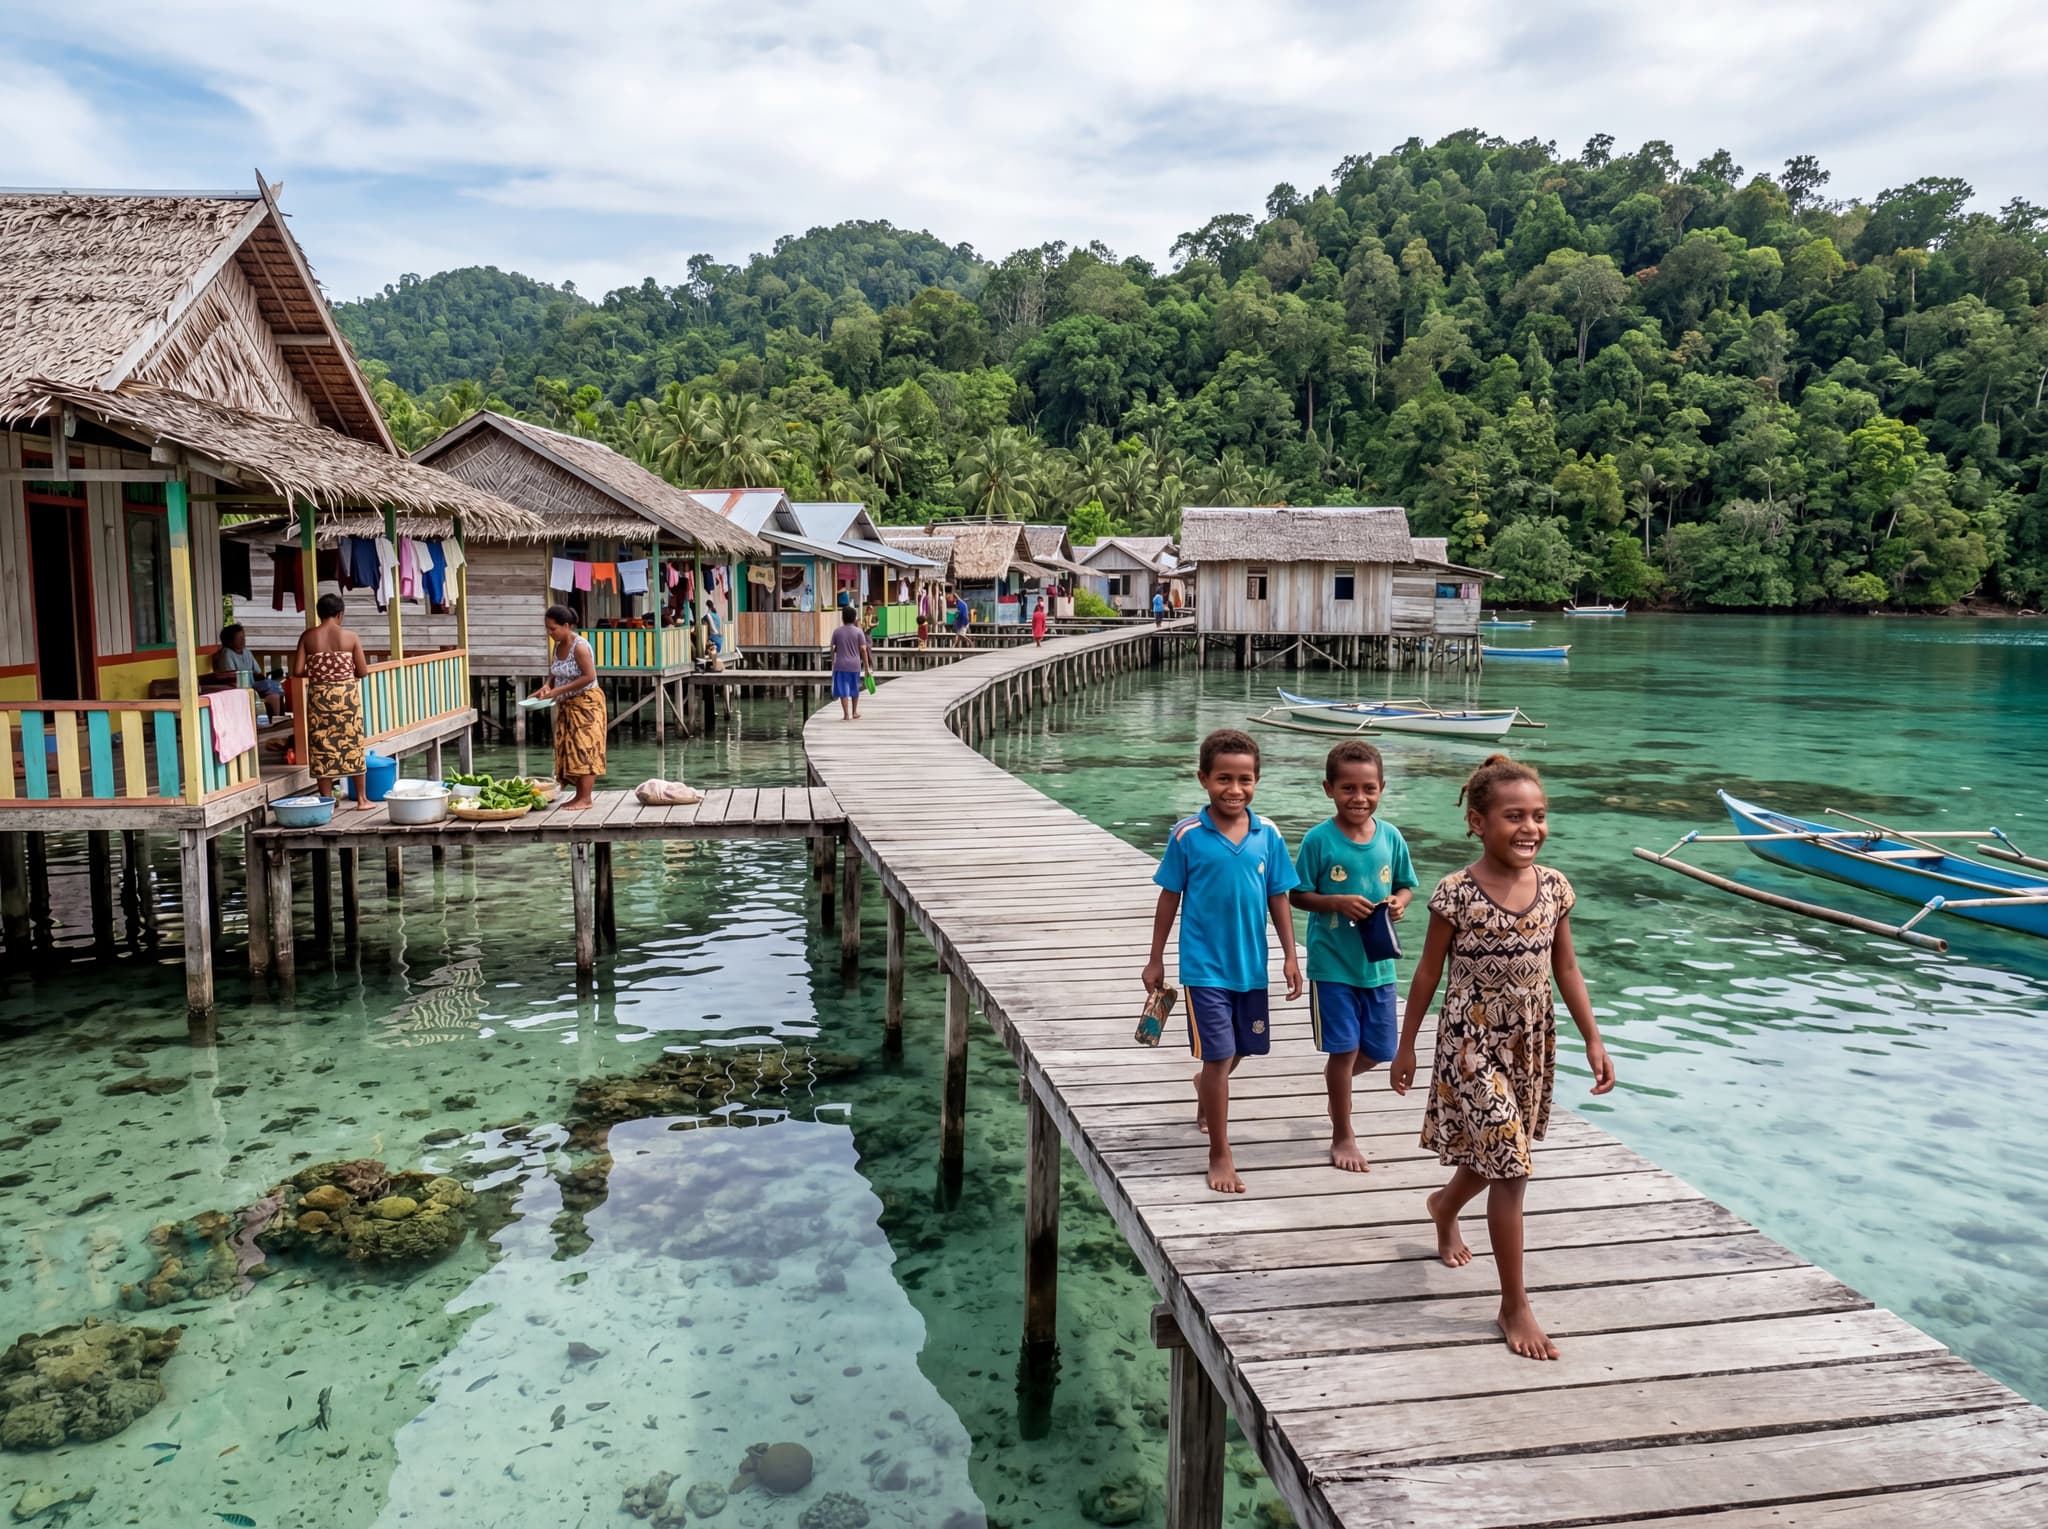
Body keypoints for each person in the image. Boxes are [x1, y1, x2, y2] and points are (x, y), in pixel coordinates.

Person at [1390, 754, 1615, 1361]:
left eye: (1539, 816)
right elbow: (1428, 973)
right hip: (1470, 1044)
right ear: (1477, 821)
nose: (1529, 828)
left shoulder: (1556, 888)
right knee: (1511, 1164)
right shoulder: (1454, 895)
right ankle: (1513, 1304)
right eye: (1513, 816)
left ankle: (1443, 1206)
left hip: (1531, 1042)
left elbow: (1565, 966)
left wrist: (1593, 1037)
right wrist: (1406, 1043)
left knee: (1497, 1154)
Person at [1141, 728, 1301, 1195]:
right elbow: (1170, 897)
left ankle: (1205, 1087)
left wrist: (1291, 956)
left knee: (1243, 1051)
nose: (1235, 790)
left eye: (1245, 779)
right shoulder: (1188, 834)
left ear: (1257, 780)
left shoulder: (1267, 833)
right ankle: (1220, 1152)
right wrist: (1155, 958)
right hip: (1203, 966)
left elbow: (1279, 896)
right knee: (1221, 1053)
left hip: (1251, 964)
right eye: (1224, 779)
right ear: (1203, 780)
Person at [1290, 741, 1418, 1172]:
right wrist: (1336, 902)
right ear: (1329, 788)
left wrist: (1400, 903)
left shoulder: (1392, 837)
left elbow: (1405, 885)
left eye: (1368, 789)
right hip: (1332, 966)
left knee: (1378, 1050)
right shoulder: (1318, 840)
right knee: (1343, 1051)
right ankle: (1342, 1133)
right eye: (1347, 788)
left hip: (1378, 964)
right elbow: (1298, 894)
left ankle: (1335, 1088)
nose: (1358, 798)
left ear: (1382, 787)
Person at [291, 593, 368, 808]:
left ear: (319, 613)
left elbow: (297, 670)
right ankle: (362, 800)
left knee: (322, 744)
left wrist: (320, 671)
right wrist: (338, 671)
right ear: (340, 614)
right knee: (352, 743)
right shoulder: (351, 637)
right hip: (346, 698)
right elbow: (362, 671)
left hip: (319, 699)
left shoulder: (308, 636)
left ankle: (327, 800)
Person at [533, 604, 606, 809]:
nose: (549, 632)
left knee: (585, 748)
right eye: (547, 628)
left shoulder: (580, 647)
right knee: (568, 748)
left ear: (566, 626)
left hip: (587, 703)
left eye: (553, 628)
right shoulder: (557, 645)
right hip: (567, 703)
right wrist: (547, 686)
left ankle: (585, 798)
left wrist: (557, 692)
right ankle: (577, 795)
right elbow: (555, 671)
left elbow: (589, 676)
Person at [213, 622, 285, 720]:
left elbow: (258, 673)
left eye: (243, 637)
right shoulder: (226, 654)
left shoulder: (246, 652)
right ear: (230, 642)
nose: (243, 641)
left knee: (275, 694)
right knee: (270, 688)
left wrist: (264, 682)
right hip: (237, 690)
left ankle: (276, 721)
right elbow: (231, 677)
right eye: (239, 638)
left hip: (252, 687)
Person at [829, 604, 872, 721]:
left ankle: (846, 715)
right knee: (854, 688)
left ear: (842, 618)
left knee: (843, 690)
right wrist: (867, 668)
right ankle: (854, 712)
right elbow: (863, 649)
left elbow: (832, 648)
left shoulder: (837, 632)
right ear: (854, 619)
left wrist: (833, 662)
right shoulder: (858, 632)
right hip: (855, 664)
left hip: (841, 664)